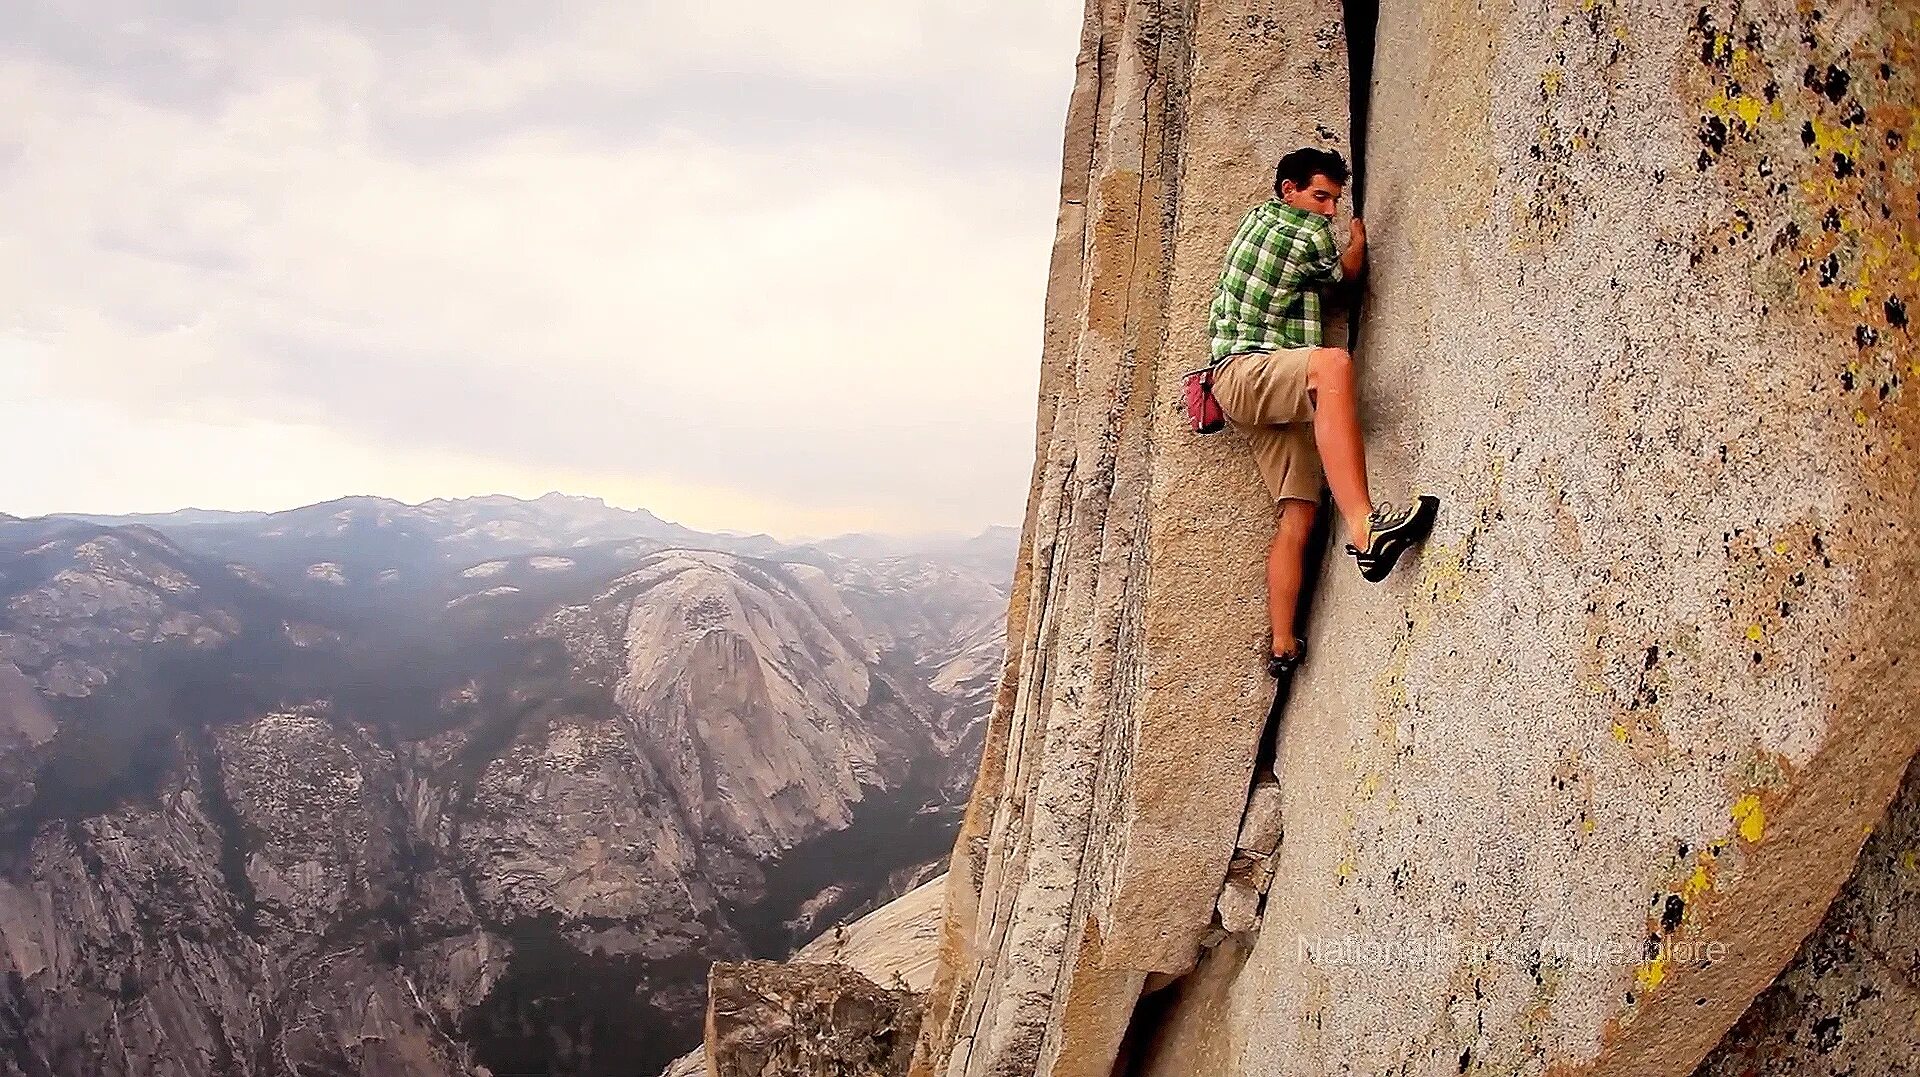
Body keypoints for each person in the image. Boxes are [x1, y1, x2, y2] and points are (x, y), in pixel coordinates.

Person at [1205, 147, 1439, 680]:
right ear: (1289, 190)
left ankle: (1283, 644)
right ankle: (1365, 529)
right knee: (1332, 366)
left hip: (1246, 389)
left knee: (1299, 511)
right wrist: (1357, 239)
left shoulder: (1260, 220)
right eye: (1321, 196)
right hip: (1248, 374)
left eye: (1334, 200)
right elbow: (1346, 279)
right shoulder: (1303, 232)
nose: (1329, 210)